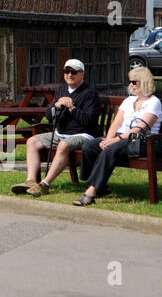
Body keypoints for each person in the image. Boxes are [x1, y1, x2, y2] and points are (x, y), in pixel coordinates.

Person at [11, 59, 102, 197]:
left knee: (63, 145)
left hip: (84, 135)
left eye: (74, 72)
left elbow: (88, 121)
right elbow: (49, 116)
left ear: (82, 74)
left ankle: (45, 184)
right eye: (67, 71)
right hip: (61, 133)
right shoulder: (61, 90)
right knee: (32, 142)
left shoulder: (90, 93)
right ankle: (30, 181)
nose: (69, 75)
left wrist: (71, 108)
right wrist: (57, 105)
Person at [74, 66, 162, 206]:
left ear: (144, 82)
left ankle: (91, 191)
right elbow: (116, 124)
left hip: (146, 142)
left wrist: (114, 141)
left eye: (134, 82)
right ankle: (98, 185)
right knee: (90, 146)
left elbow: (139, 129)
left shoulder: (154, 102)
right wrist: (108, 139)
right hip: (124, 139)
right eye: (130, 82)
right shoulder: (129, 101)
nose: (131, 85)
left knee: (111, 150)